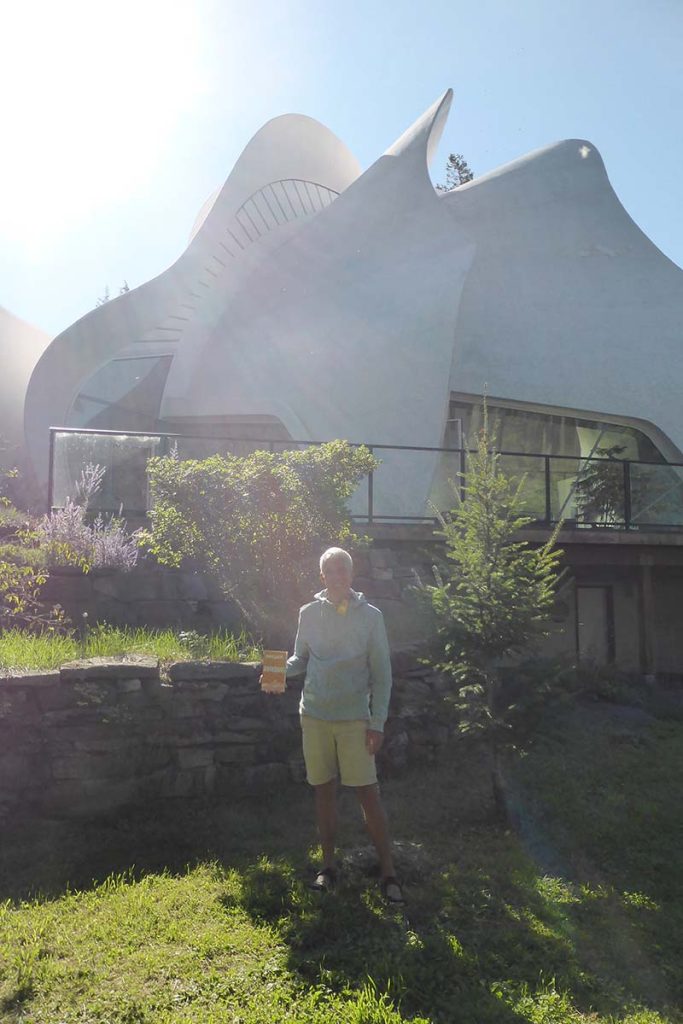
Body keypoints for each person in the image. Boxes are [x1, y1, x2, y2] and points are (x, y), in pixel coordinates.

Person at [266, 546, 404, 903]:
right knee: (323, 792)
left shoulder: (371, 617)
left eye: (343, 569)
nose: (337, 576)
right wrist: (274, 672)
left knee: (368, 795)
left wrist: (377, 722)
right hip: (313, 716)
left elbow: (383, 675)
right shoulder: (308, 613)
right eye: (331, 570)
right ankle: (327, 868)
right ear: (322, 575)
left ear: (351, 575)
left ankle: (388, 872)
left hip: (355, 720)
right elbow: (301, 658)